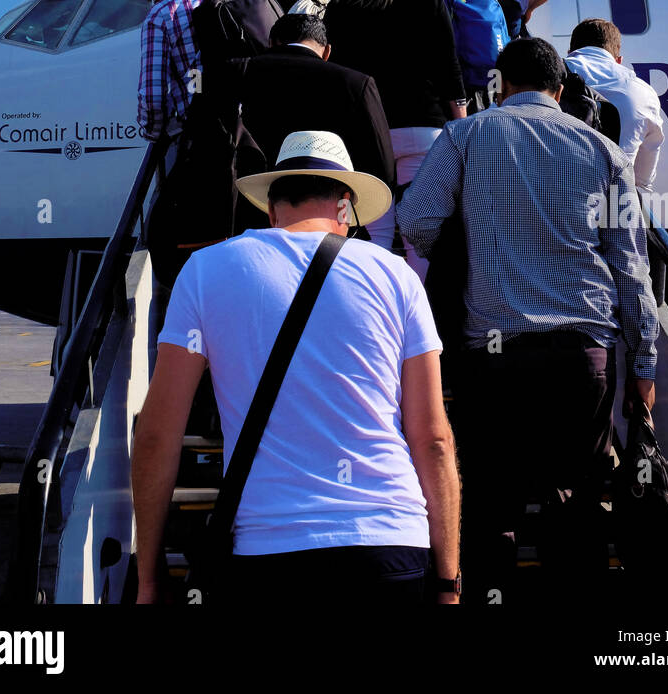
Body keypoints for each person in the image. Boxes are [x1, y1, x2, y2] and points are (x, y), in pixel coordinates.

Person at [132, 130, 461, 606]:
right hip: (389, 543)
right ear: (345, 206)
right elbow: (433, 439)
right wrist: (449, 582)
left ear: (271, 208)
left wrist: (148, 581)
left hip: (270, 551)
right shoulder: (396, 277)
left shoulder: (206, 270)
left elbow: (158, 434)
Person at [397, 37, 659, 605]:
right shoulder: (604, 152)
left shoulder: (465, 135)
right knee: (578, 503)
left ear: (503, 84)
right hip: (582, 356)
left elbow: (416, 222)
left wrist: (472, 238)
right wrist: (644, 366)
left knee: (490, 505)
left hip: (494, 358)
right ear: (560, 91)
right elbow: (632, 271)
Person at [323, 0, 467, 276]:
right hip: (423, 128)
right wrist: (463, 131)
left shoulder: (340, 5)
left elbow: (337, 76)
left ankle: (377, 310)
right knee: (420, 231)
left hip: (367, 131)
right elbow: (449, 71)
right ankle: (418, 312)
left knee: (378, 232)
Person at [204, 12, 396, 204]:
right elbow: (381, 161)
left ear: (271, 42)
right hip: (328, 197)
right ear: (327, 51)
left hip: (251, 197)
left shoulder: (233, 72)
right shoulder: (356, 83)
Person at [566, 18, 665, 193]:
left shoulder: (551, 77)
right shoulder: (644, 92)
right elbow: (642, 178)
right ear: (618, 60)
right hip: (611, 203)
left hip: (551, 198)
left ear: (569, 52)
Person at [137, 0, 218, 142]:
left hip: (202, 133)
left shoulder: (162, 14)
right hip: (249, 132)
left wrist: (154, 133)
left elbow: (153, 97)